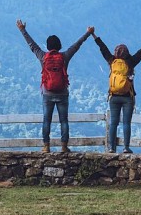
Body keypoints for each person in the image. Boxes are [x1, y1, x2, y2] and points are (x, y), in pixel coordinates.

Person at [17, 19, 94, 153]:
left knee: (46, 120)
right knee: (64, 120)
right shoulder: (64, 57)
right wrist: (88, 33)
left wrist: (22, 30)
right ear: (59, 45)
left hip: (47, 93)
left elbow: (32, 45)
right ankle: (64, 146)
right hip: (62, 93)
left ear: (48, 46)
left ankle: (46, 146)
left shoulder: (43, 57)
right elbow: (77, 45)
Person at [93, 31, 141, 153]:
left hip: (114, 97)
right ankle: (126, 147)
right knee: (126, 123)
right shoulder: (130, 62)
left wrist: (93, 35)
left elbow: (102, 48)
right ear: (126, 53)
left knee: (113, 123)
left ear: (116, 53)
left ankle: (111, 148)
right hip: (127, 97)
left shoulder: (111, 61)